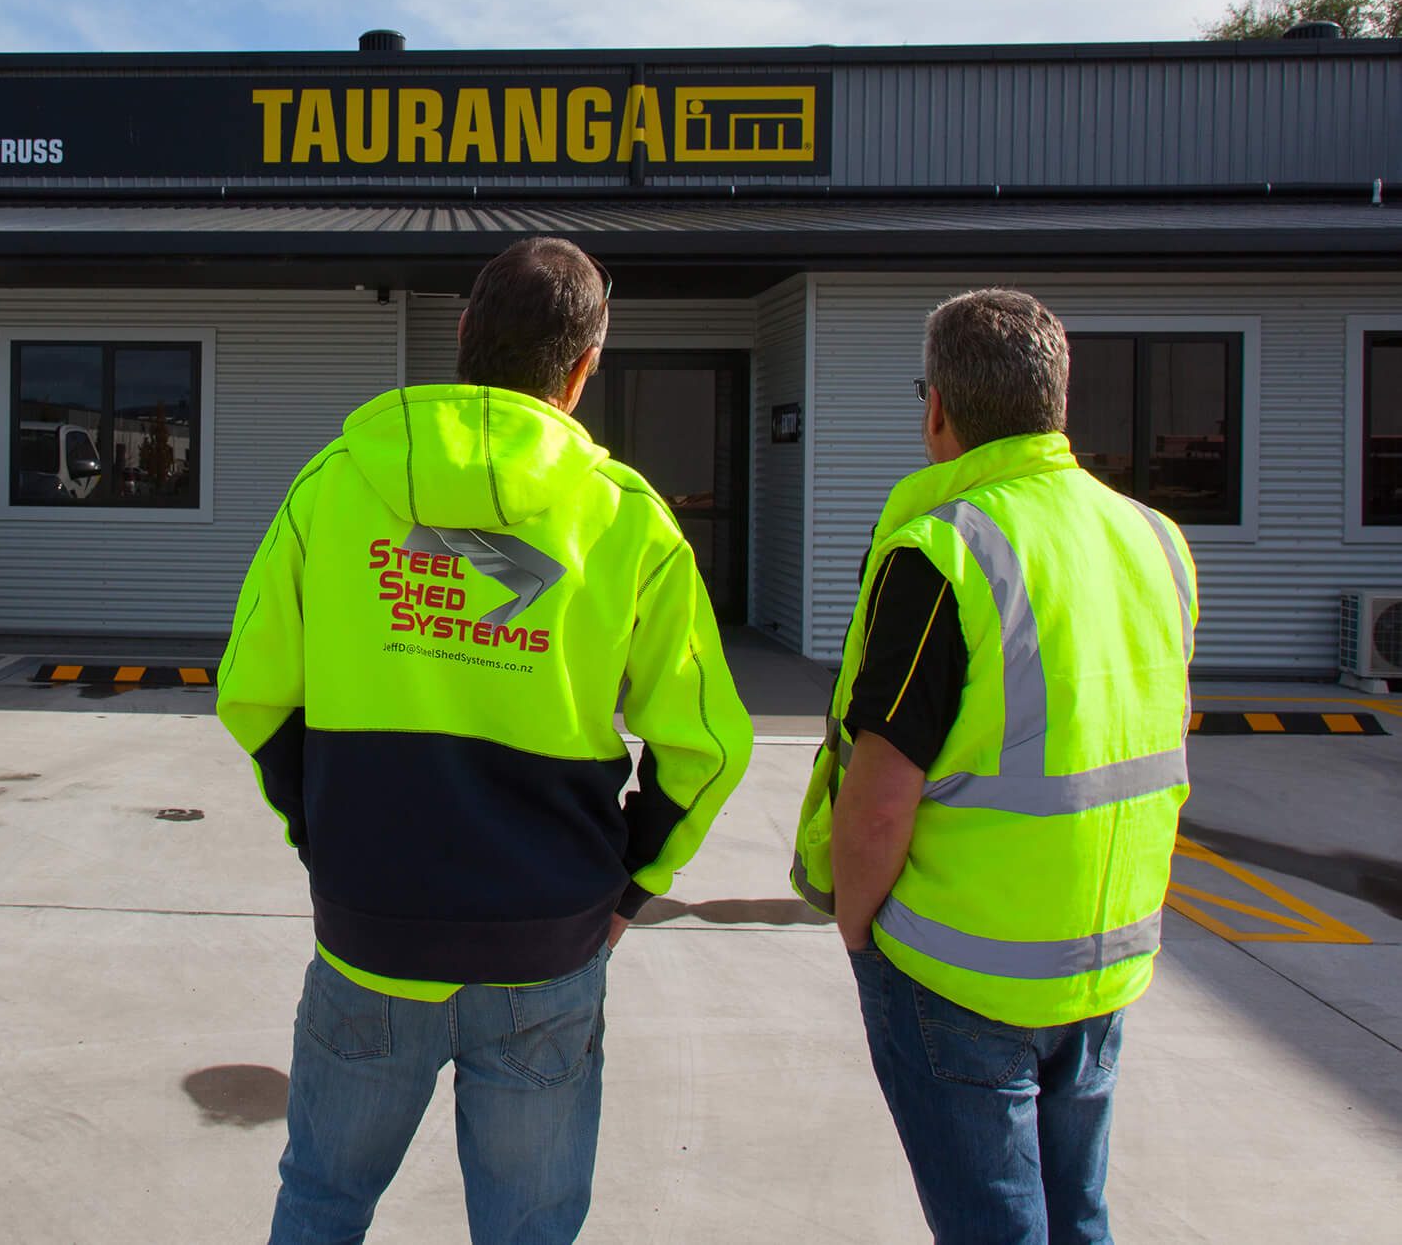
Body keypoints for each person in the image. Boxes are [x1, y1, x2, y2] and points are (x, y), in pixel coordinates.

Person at [218, 237, 754, 1245]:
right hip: (545, 940)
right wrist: (630, 885)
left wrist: (324, 833)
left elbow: (252, 694)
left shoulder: (333, 487)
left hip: (370, 932)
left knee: (323, 1200)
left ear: (461, 334)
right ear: (585, 365)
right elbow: (706, 747)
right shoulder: (627, 522)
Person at [791, 288, 1198, 1245]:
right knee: (1076, 1217)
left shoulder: (944, 551)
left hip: (960, 973)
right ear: (1057, 402)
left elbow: (879, 799)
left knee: (992, 1226)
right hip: (1103, 962)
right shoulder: (1156, 540)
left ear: (937, 408)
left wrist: (856, 929)